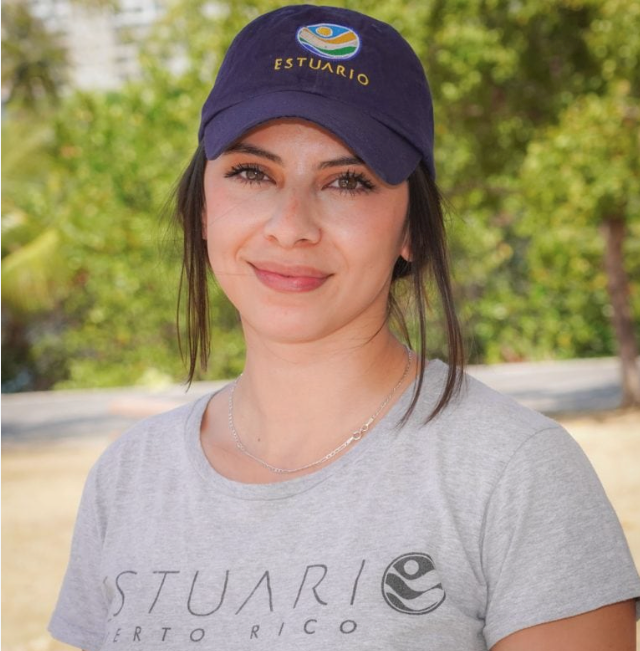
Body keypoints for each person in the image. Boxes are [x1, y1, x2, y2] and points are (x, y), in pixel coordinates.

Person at [49, 5, 640, 650]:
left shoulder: (513, 472)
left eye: (349, 182)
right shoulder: (130, 478)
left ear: (412, 228)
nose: (291, 224)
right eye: (253, 173)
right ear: (201, 207)